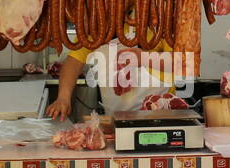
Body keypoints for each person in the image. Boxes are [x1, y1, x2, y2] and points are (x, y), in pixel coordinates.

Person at [45, 30, 182, 120]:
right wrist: (63, 97)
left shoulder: (157, 18)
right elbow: (73, 62)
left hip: (161, 114)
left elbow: (182, 62)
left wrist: (144, 58)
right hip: (117, 119)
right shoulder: (98, 25)